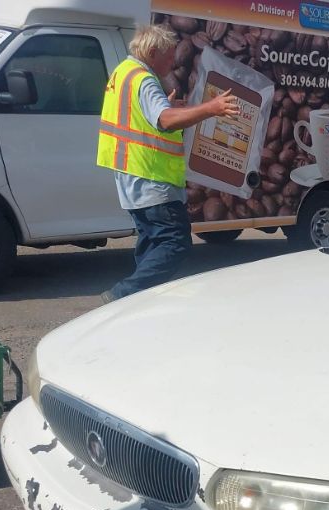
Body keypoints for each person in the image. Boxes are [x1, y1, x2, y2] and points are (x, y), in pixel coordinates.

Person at [96, 24, 240, 302]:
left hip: (132, 179)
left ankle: (138, 303)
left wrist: (169, 107)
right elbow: (163, 120)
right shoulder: (145, 79)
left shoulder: (122, 73)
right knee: (175, 243)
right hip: (152, 180)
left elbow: (146, 115)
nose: (173, 62)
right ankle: (124, 296)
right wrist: (212, 108)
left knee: (151, 243)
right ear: (151, 52)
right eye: (169, 56)